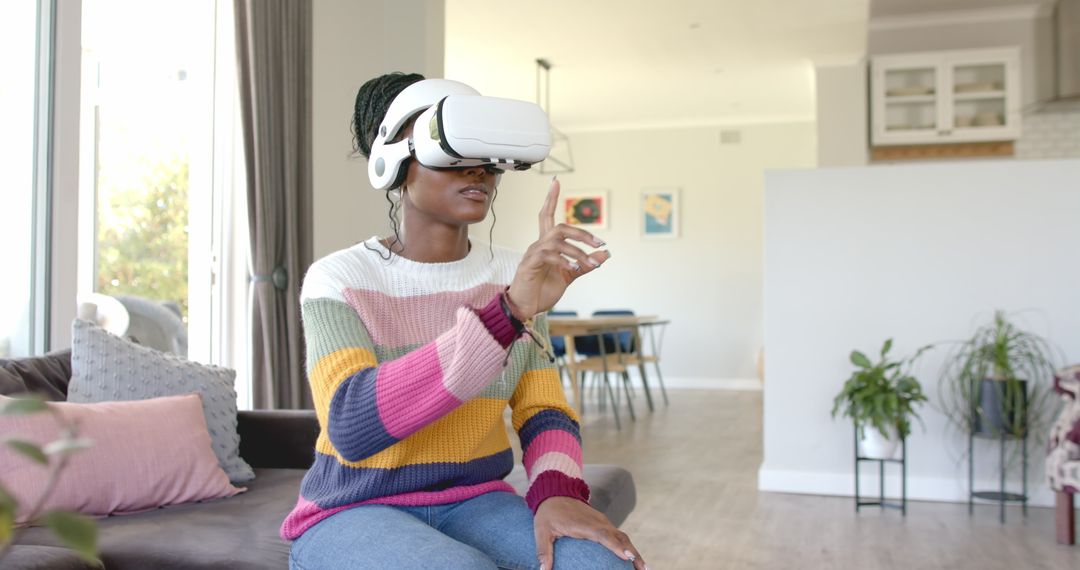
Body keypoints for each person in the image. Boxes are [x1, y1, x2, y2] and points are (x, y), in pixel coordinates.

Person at [281, 72, 646, 570]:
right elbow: (351, 424)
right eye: (452, 151)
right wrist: (508, 313)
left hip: (477, 498)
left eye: (486, 156)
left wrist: (559, 492)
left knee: (603, 564)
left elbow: (544, 409)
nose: (477, 171)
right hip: (354, 507)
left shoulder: (513, 276)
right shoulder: (338, 278)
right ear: (395, 161)